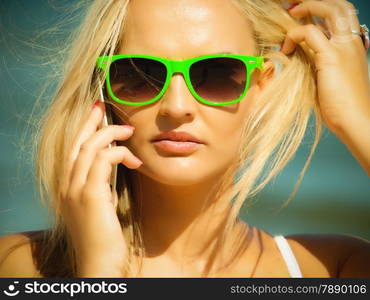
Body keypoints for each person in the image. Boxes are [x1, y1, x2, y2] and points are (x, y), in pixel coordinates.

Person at [0, 0, 369, 278]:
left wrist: (358, 119)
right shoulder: (16, 265)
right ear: (105, 88)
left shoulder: (332, 269)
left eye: (217, 73)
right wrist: (99, 273)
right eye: (141, 72)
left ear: (263, 87)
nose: (176, 107)